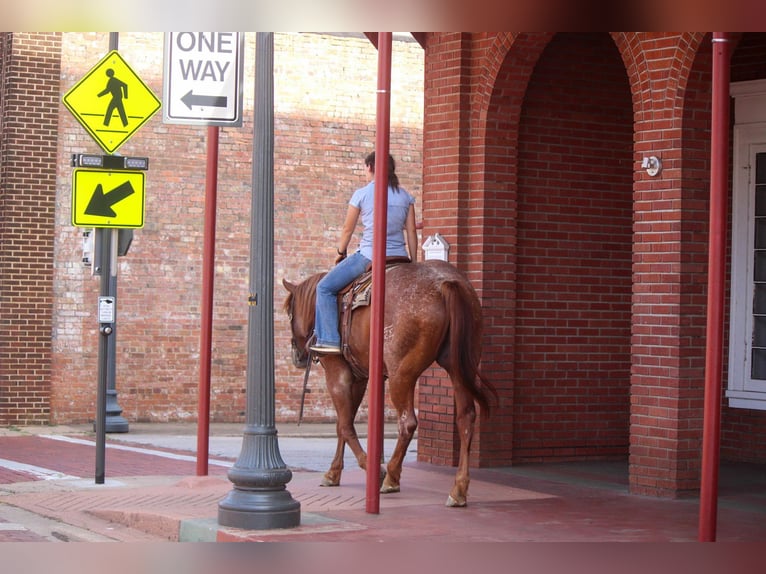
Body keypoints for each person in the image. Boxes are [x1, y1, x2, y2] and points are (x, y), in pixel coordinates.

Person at [310, 151, 418, 354]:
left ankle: (329, 340)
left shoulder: (362, 194)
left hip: (369, 255)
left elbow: (347, 230)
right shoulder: (406, 197)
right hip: (400, 257)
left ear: (369, 167)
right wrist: (413, 261)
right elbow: (411, 232)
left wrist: (340, 251)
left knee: (324, 288)